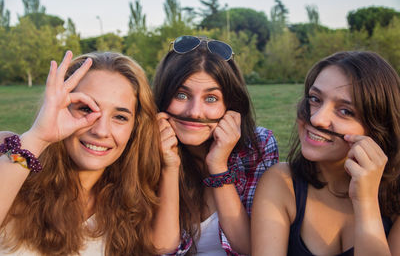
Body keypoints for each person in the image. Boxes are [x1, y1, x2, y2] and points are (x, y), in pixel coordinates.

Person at [0, 51, 167, 255]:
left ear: (135, 128)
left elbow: (164, 247)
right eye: (86, 109)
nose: (101, 131)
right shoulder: (11, 154)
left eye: (120, 117)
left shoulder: (133, 201)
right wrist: (39, 137)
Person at [251, 51, 400, 256]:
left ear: (378, 127)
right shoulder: (282, 182)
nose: (317, 119)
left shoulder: (395, 200)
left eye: (345, 111)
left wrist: (366, 203)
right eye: (315, 99)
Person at [152, 35, 279, 255]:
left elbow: (251, 249)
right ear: (163, 97)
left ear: (231, 105)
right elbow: (161, 248)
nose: (194, 112)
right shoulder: (141, 149)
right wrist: (169, 167)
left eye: (211, 98)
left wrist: (219, 166)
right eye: (181, 95)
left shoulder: (258, 147)